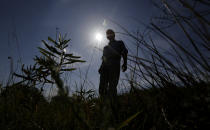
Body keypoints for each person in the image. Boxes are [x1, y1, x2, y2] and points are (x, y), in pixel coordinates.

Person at [98, 29, 128, 98]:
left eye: (110, 33)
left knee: (113, 85)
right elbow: (104, 58)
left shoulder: (120, 43)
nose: (109, 35)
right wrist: (101, 67)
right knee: (102, 85)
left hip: (114, 64)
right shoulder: (105, 47)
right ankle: (103, 102)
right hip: (105, 67)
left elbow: (124, 52)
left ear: (114, 34)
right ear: (107, 36)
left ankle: (112, 103)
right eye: (107, 34)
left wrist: (125, 63)